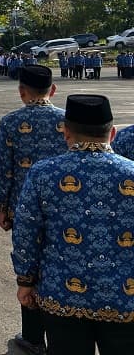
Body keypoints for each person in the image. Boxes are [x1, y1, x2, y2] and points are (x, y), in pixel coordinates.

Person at [12, 94, 134, 355]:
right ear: (112, 133)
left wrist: (25, 280)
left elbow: (26, 232)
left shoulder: (44, 173)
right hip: (125, 296)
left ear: (66, 132)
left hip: (63, 295)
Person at [0, 64, 67, 354]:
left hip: (25, 209)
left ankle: (33, 336)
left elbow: (3, 169)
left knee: (29, 269)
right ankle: (60, 332)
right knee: (61, 266)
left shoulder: (11, 122)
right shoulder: (67, 120)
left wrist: (3, 207)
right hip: (65, 209)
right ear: (53, 90)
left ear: (21, 91)